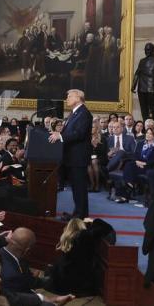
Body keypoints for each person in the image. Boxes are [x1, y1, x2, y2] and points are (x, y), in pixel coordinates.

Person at [49, 89, 93, 219]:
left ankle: (80, 216)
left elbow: (79, 134)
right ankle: (77, 213)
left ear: (78, 98)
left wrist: (60, 136)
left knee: (80, 189)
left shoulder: (84, 113)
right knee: (76, 188)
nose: (66, 99)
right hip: (72, 156)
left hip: (78, 157)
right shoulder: (74, 113)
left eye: (69, 96)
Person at [46, 218, 114, 296]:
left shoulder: (67, 237)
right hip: (78, 283)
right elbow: (107, 228)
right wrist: (94, 221)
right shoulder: (84, 236)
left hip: (63, 279)